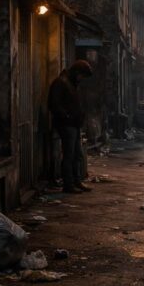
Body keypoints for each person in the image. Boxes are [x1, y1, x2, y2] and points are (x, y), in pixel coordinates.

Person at [48, 60, 94, 193]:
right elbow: (54, 104)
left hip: (74, 124)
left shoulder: (72, 84)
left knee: (77, 154)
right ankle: (68, 184)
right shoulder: (61, 83)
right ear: (76, 72)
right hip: (66, 125)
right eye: (82, 76)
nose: (82, 79)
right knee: (69, 155)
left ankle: (76, 181)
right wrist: (67, 116)